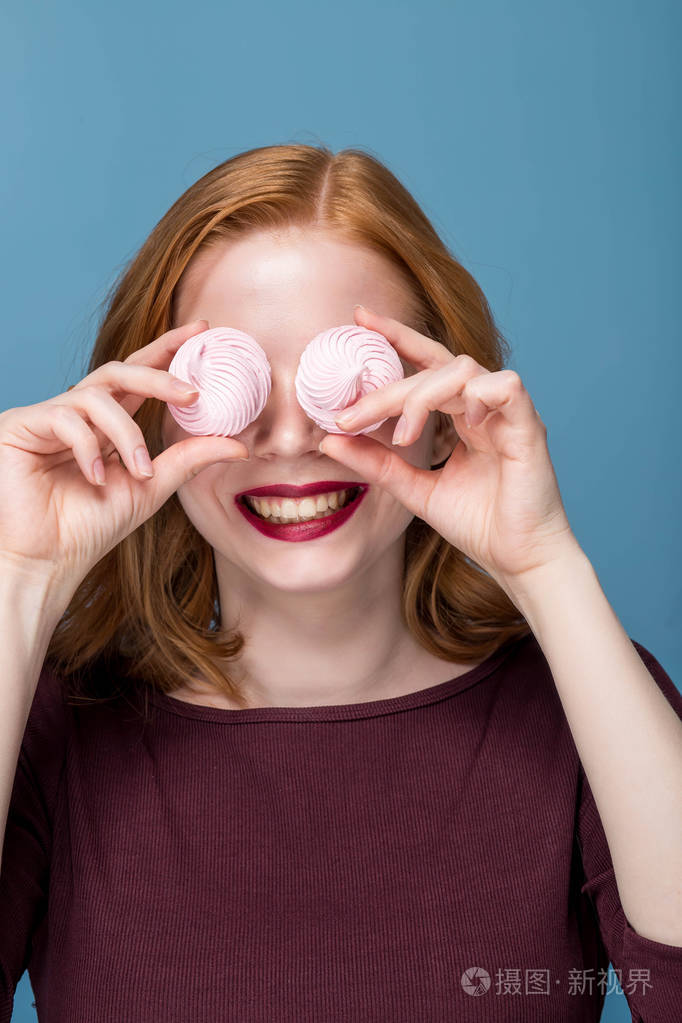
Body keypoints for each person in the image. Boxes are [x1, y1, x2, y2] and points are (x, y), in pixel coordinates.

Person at [0, 143, 680, 1021]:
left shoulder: (588, 707)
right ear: (154, 422)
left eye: (346, 380)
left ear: (441, 415)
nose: (289, 441)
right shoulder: (52, 726)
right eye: (230, 385)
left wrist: (546, 563)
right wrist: (18, 580)